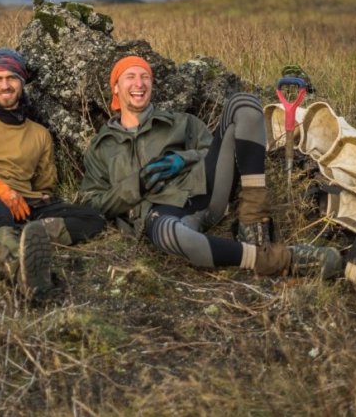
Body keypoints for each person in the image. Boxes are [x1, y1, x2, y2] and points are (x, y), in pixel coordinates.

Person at [79, 55, 342, 279]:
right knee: (173, 236)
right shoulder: (102, 146)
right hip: (158, 214)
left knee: (243, 103)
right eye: (130, 77)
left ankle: (253, 221)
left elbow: (212, 152)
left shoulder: (181, 122)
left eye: (145, 77)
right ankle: (272, 258)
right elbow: (91, 204)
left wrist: (184, 158)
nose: (139, 84)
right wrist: (135, 186)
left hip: (203, 191)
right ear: (115, 87)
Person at [0, 47, 105, 299]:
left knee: (93, 218)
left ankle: (22, 237)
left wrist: (42, 200)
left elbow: (44, 184)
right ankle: (24, 272)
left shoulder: (39, 134)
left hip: (22, 203)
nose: (5, 85)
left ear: (22, 81)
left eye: (11, 78)